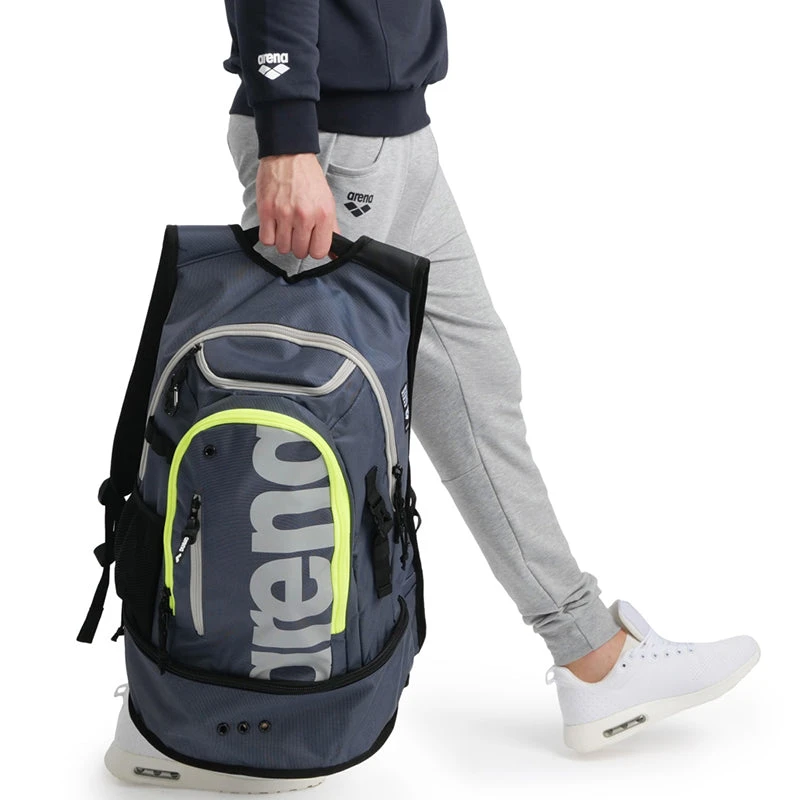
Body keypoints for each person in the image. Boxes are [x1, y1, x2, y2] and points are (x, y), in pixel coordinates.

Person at [105, 0, 760, 790]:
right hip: (331, 144)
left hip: (392, 137)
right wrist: (290, 137)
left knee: (478, 382)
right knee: (279, 428)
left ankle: (592, 653)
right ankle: (178, 721)